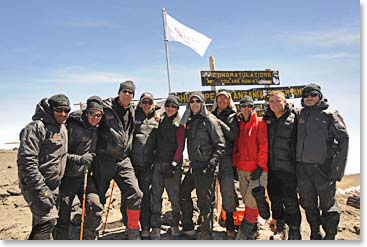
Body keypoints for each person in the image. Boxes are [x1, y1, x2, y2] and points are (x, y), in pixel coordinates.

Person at [296, 83, 349, 240]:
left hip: (324, 169)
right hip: (303, 168)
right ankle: (314, 233)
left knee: (328, 205)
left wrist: (338, 168)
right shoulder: (300, 114)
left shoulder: (330, 114)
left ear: (319, 96)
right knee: (308, 203)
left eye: (313, 95)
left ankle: (330, 235)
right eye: (306, 96)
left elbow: (343, 140)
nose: (309, 98)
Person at [93, 80, 143, 240]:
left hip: (123, 159)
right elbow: (88, 116)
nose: (127, 94)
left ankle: (133, 229)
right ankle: (92, 229)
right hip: (104, 159)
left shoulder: (132, 110)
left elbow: (150, 111)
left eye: (131, 93)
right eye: (125, 91)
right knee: (98, 197)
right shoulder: (105, 107)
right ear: (119, 92)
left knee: (135, 193)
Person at [17, 94, 70, 240]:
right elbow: (27, 162)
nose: (63, 114)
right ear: (50, 109)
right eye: (59, 110)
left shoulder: (62, 128)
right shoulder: (36, 128)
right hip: (36, 185)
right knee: (48, 220)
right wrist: (41, 190)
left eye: (67, 110)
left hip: (53, 185)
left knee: (42, 223)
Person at [53, 96, 104, 240]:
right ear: (86, 113)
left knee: (95, 206)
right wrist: (79, 159)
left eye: (98, 115)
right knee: (63, 214)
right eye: (92, 113)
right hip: (68, 177)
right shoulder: (71, 127)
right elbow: (60, 154)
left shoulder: (97, 128)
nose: (95, 117)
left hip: (85, 177)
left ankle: (88, 237)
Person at [179, 92, 226, 240]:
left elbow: (221, 144)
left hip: (205, 167)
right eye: (192, 101)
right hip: (193, 166)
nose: (194, 103)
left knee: (204, 202)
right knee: (183, 193)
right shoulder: (190, 120)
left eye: (197, 101)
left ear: (202, 103)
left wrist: (212, 164)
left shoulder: (209, 120)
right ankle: (188, 227)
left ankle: (206, 234)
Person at [263, 91, 301, 240]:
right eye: (271, 101)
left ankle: (295, 231)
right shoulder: (267, 119)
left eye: (278, 100)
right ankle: (280, 228)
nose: (274, 104)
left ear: (285, 101)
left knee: (291, 201)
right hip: (272, 168)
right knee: (276, 201)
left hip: (289, 168)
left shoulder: (294, 118)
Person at [232, 96, 268, 240]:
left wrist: (260, 166)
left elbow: (264, 146)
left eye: (249, 106)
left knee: (253, 198)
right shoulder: (238, 124)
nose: (246, 109)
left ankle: (245, 231)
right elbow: (235, 147)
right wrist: (235, 165)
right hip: (242, 168)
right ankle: (254, 229)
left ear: (253, 108)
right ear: (240, 108)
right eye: (243, 106)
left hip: (256, 169)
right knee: (247, 200)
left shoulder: (260, 123)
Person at [125, 92, 159, 239]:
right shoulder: (133, 116)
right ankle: (129, 225)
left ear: (153, 104)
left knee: (145, 195)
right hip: (132, 163)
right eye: (144, 102)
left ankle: (145, 226)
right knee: (130, 194)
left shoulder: (157, 119)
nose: (146, 105)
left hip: (147, 164)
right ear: (139, 103)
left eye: (149, 102)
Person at [150, 95, 185, 240]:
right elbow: (150, 110)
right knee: (156, 195)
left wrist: (174, 163)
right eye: (168, 106)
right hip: (158, 163)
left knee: (174, 197)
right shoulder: (160, 119)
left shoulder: (180, 124)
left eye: (174, 107)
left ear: (177, 108)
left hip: (172, 165)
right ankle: (156, 226)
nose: (170, 109)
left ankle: (175, 224)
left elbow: (181, 146)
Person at [211, 90, 239, 239]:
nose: (222, 100)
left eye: (225, 98)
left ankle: (230, 224)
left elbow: (233, 135)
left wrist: (218, 122)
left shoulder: (232, 116)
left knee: (227, 191)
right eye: (219, 98)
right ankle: (208, 223)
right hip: (210, 158)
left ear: (229, 101)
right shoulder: (210, 113)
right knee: (208, 192)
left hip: (226, 158)